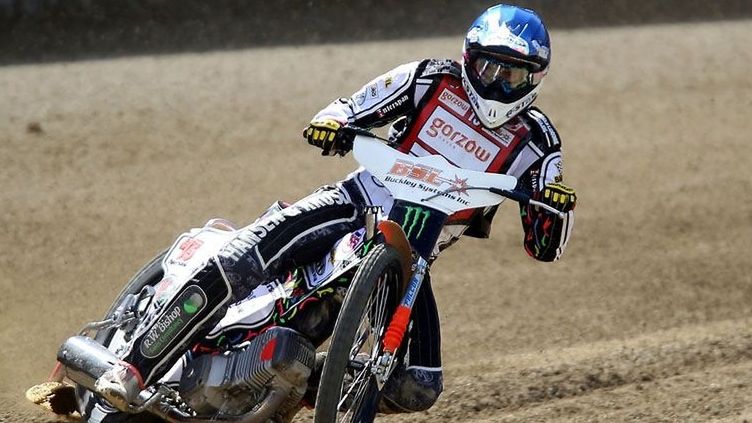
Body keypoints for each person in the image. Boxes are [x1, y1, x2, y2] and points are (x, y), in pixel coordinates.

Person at [98, 3, 576, 416]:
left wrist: (553, 209)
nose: (498, 84)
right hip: (356, 202)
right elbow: (351, 106)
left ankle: (302, 381)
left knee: (418, 387)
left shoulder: (539, 142)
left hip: (415, 255)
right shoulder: (430, 78)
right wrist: (332, 123)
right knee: (244, 256)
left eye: (513, 75)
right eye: (490, 68)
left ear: (535, 79)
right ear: (470, 59)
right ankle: (133, 368)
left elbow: (545, 247)